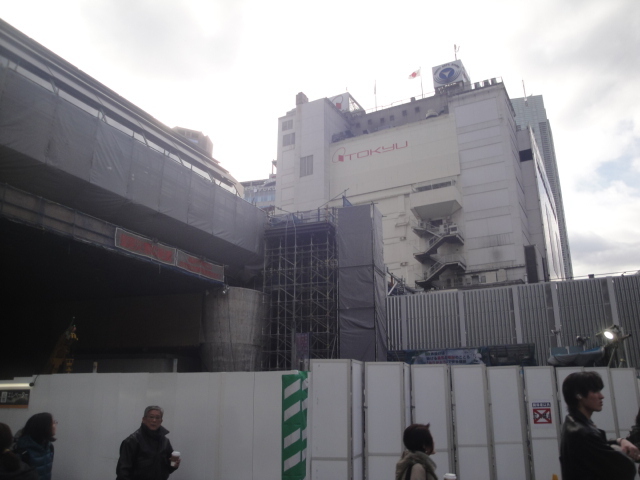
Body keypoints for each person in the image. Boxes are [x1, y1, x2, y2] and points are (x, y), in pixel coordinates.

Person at [560, 371, 638, 480]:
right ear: (578, 395)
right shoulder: (583, 433)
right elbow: (626, 469)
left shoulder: (573, 423)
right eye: (595, 391)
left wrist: (619, 441)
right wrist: (619, 450)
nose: (601, 396)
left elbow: (598, 444)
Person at [116, 405, 180, 480]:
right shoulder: (132, 441)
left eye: (157, 418)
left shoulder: (165, 442)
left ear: (161, 421)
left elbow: (168, 468)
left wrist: (174, 465)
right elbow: (123, 472)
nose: (154, 420)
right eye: (151, 417)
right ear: (144, 419)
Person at [14, 412, 56, 480]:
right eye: (53, 423)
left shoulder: (50, 447)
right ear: (44, 426)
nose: (55, 425)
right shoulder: (23, 451)